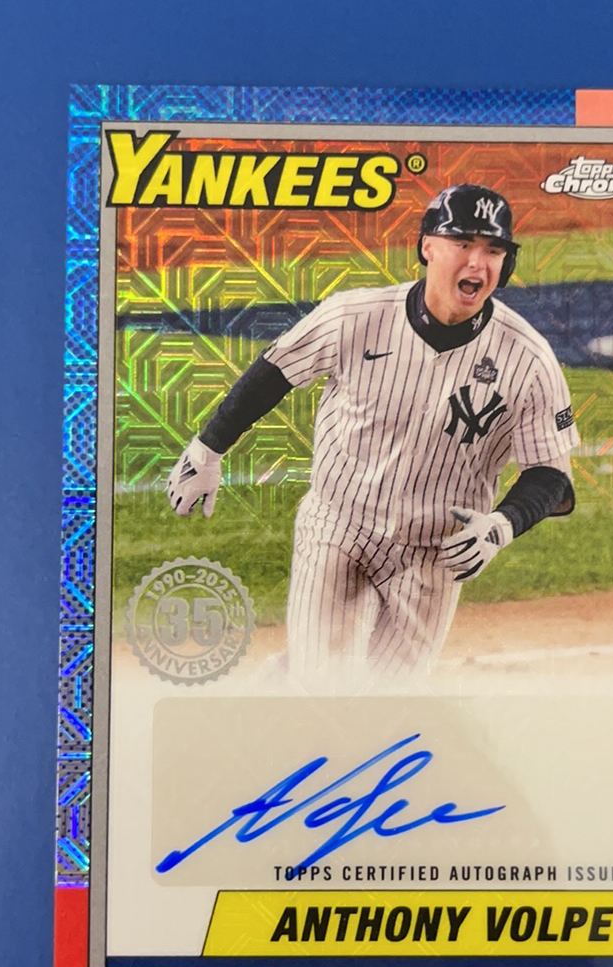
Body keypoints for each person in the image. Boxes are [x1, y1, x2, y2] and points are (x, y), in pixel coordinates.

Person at [167, 184, 580, 678]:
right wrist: (207, 450)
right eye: (463, 243)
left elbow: (551, 473)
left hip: (434, 552)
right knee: (325, 683)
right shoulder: (355, 316)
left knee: (389, 698)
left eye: (493, 250)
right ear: (428, 247)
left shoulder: (528, 360)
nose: (478, 261)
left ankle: (284, 678)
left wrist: (502, 525)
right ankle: (292, 681)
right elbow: (275, 372)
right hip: (338, 528)